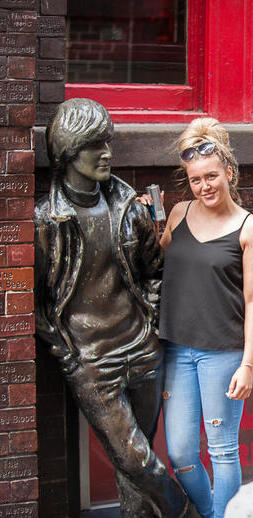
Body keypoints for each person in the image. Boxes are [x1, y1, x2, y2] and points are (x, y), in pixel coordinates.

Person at [34, 98, 193, 517]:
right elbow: (30, 302)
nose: (107, 153)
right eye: (95, 145)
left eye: (108, 142)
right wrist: (67, 353)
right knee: (134, 457)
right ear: (68, 151)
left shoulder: (128, 209)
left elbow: (155, 272)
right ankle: (182, 509)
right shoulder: (47, 221)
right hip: (91, 358)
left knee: (136, 459)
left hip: (141, 348)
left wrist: (151, 323)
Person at [156, 117, 253, 518]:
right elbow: (157, 258)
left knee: (222, 451)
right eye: (195, 179)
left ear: (229, 173)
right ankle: (210, 513)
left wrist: (248, 365)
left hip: (223, 353)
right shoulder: (178, 213)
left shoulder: (249, 228)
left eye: (211, 176)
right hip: (176, 351)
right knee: (181, 453)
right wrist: (145, 218)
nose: (205, 186)